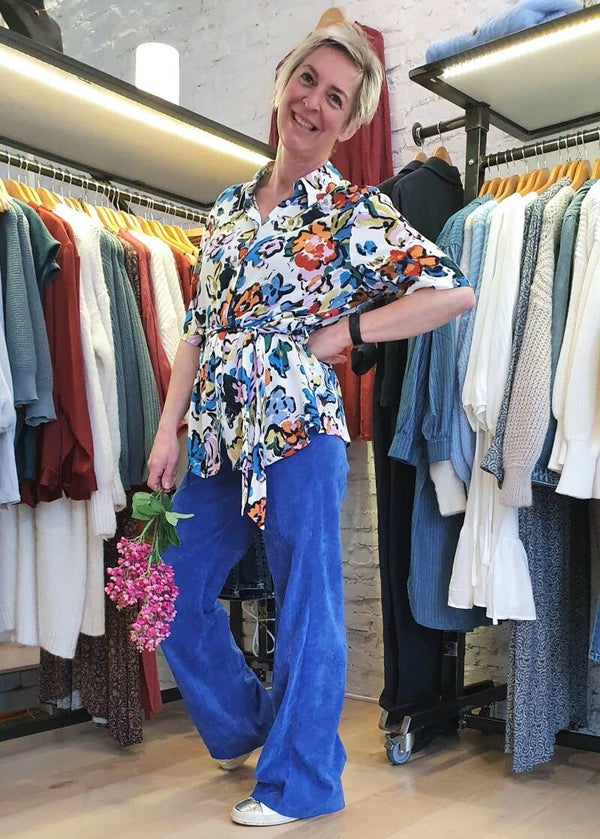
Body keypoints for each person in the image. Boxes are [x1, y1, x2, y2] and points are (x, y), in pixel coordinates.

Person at [147, 22, 474, 828]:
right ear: (283, 81)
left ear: (350, 121)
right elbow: (196, 329)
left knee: (306, 602)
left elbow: (453, 291)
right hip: (219, 432)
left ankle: (302, 782)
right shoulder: (227, 208)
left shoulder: (352, 211)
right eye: (308, 81)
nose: (314, 104)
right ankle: (249, 726)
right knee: (162, 586)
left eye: (336, 97)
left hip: (298, 426)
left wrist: (350, 332)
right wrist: (167, 428)